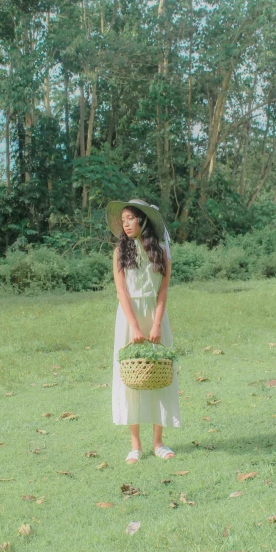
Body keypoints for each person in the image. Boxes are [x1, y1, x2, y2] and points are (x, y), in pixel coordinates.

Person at [106, 198, 181, 464]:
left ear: (143, 220)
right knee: (132, 376)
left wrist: (157, 322)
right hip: (129, 316)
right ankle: (135, 445)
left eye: (130, 218)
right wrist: (135, 325)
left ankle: (158, 442)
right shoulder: (120, 252)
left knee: (159, 373)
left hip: (155, 314)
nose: (125, 224)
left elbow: (163, 290)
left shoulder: (161, 250)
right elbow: (121, 291)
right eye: (123, 219)